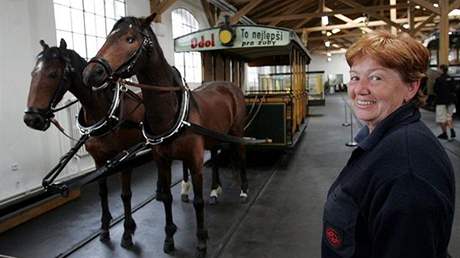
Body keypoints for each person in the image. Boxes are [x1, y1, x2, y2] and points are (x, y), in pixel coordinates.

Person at [322, 30, 455, 258]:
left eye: (376, 77)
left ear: (411, 87)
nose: (360, 89)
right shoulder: (383, 141)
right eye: (355, 77)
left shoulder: (407, 170)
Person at [434, 64, 456, 140]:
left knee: (441, 119)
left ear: (442, 69)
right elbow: (454, 89)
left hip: (441, 101)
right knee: (449, 117)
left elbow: (435, 90)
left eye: (438, 69)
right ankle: (452, 130)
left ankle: (445, 134)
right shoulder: (451, 78)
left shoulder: (438, 79)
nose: (437, 70)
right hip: (451, 101)